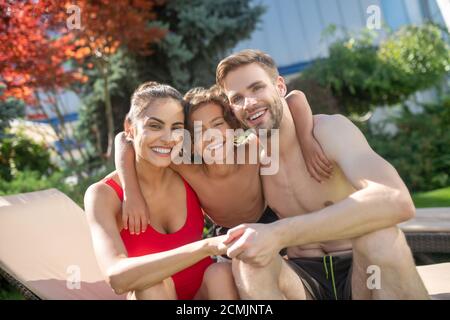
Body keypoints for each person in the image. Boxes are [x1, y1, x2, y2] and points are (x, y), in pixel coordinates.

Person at [216, 49, 429, 300]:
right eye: (237, 98)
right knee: (248, 264)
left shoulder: (328, 131)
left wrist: (280, 233)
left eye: (257, 88)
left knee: (380, 237)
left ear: (280, 87)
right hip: (304, 282)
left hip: (360, 274)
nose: (249, 103)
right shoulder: (247, 157)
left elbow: (396, 200)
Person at [84, 82, 238, 300]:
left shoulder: (187, 172)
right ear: (130, 127)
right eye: (155, 126)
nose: (168, 138)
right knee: (150, 286)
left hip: (204, 295)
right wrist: (207, 246)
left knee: (220, 274)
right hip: (154, 296)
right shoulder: (103, 195)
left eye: (176, 128)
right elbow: (116, 278)